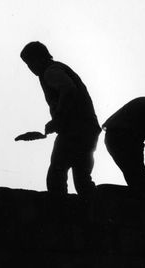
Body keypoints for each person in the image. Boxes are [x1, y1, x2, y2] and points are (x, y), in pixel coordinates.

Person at [20, 41, 101, 196]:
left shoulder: (50, 71)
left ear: (38, 59)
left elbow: (68, 89)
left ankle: (59, 213)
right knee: (83, 181)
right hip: (87, 129)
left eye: (30, 63)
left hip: (76, 131)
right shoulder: (56, 68)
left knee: (57, 174)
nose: (30, 68)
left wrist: (57, 119)